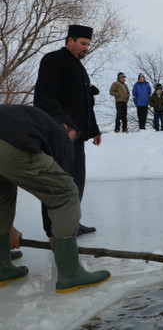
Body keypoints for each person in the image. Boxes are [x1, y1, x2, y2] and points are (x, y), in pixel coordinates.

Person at [0, 104, 110, 292]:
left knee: (3, 192)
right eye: (74, 136)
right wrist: (52, 232)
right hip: (9, 141)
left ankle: (2, 266)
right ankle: (71, 274)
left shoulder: (26, 117)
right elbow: (55, 192)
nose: (72, 141)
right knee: (65, 192)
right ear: (66, 126)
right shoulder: (58, 131)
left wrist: (8, 228)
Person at [34, 24, 101, 237]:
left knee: (76, 182)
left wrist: (95, 129)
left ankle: (72, 222)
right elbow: (45, 96)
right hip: (59, 134)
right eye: (83, 44)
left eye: (88, 45)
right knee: (58, 182)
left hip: (77, 136)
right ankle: (55, 229)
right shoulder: (54, 60)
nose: (86, 48)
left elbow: (84, 104)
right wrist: (61, 122)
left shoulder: (78, 67)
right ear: (69, 40)